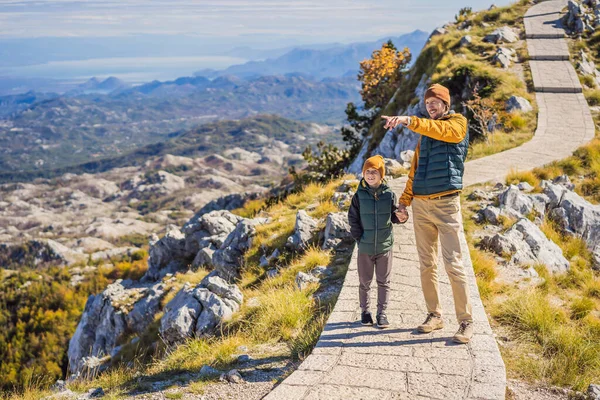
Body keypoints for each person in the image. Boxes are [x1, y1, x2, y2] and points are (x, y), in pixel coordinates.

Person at [381, 83, 473, 344]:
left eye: (435, 102)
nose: (430, 106)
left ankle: (466, 321)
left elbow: (445, 132)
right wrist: (404, 203)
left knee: (453, 264)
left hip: (446, 205)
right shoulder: (425, 137)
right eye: (427, 103)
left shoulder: (457, 123)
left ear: (446, 104)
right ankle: (435, 315)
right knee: (426, 264)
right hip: (421, 206)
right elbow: (415, 173)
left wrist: (409, 120)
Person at [348, 155, 408, 329]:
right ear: (363, 173)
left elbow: (394, 217)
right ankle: (365, 312)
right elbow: (353, 219)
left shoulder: (389, 194)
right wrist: (359, 238)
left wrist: (402, 218)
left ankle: (382, 313)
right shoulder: (358, 196)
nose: (371, 175)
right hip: (365, 247)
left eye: (375, 171)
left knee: (384, 282)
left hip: (384, 247)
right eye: (368, 171)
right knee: (364, 282)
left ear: (381, 174)